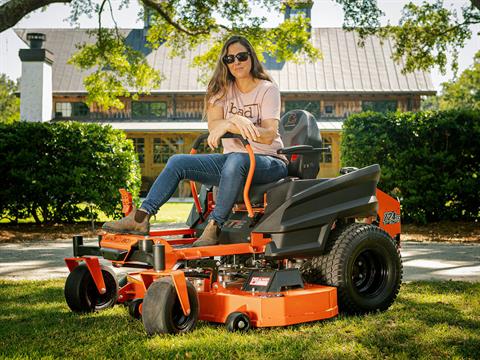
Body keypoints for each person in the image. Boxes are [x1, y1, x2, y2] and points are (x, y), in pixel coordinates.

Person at [103, 35, 288, 246]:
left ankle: (214, 227)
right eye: (230, 59)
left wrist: (229, 124)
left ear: (251, 58)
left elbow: (269, 134)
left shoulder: (267, 89)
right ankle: (140, 218)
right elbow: (214, 128)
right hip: (233, 164)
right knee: (177, 162)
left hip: (269, 161)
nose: (236, 62)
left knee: (237, 159)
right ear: (224, 63)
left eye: (242, 56)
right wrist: (233, 121)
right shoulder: (220, 91)